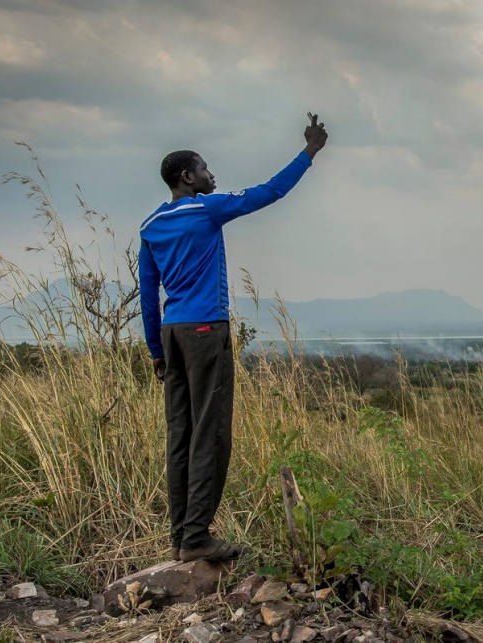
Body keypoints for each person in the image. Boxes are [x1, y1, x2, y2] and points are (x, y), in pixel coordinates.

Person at [139, 113, 328, 562]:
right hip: (206, 331)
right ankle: (198, 537)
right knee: (212, 433)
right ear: (187, 176)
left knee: (180, 435)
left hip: (172, 333)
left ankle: (181, 537)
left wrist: (154, 350)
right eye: (205, 169)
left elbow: (149, 294)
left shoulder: (150, 225)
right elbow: (269, 192)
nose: (211, 174)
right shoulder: (206, 208)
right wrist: (310, 152)